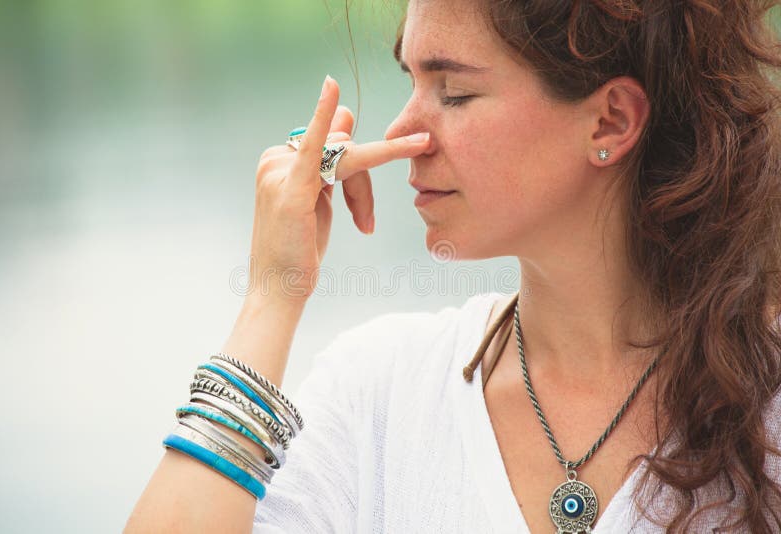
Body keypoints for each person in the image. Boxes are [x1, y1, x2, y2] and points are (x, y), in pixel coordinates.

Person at [124, 0, 781, 532]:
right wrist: (271, 297)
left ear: (609, 122)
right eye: (411, 82)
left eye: (455, 92)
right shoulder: (379, 394)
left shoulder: (765, 409)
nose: (405, 132)